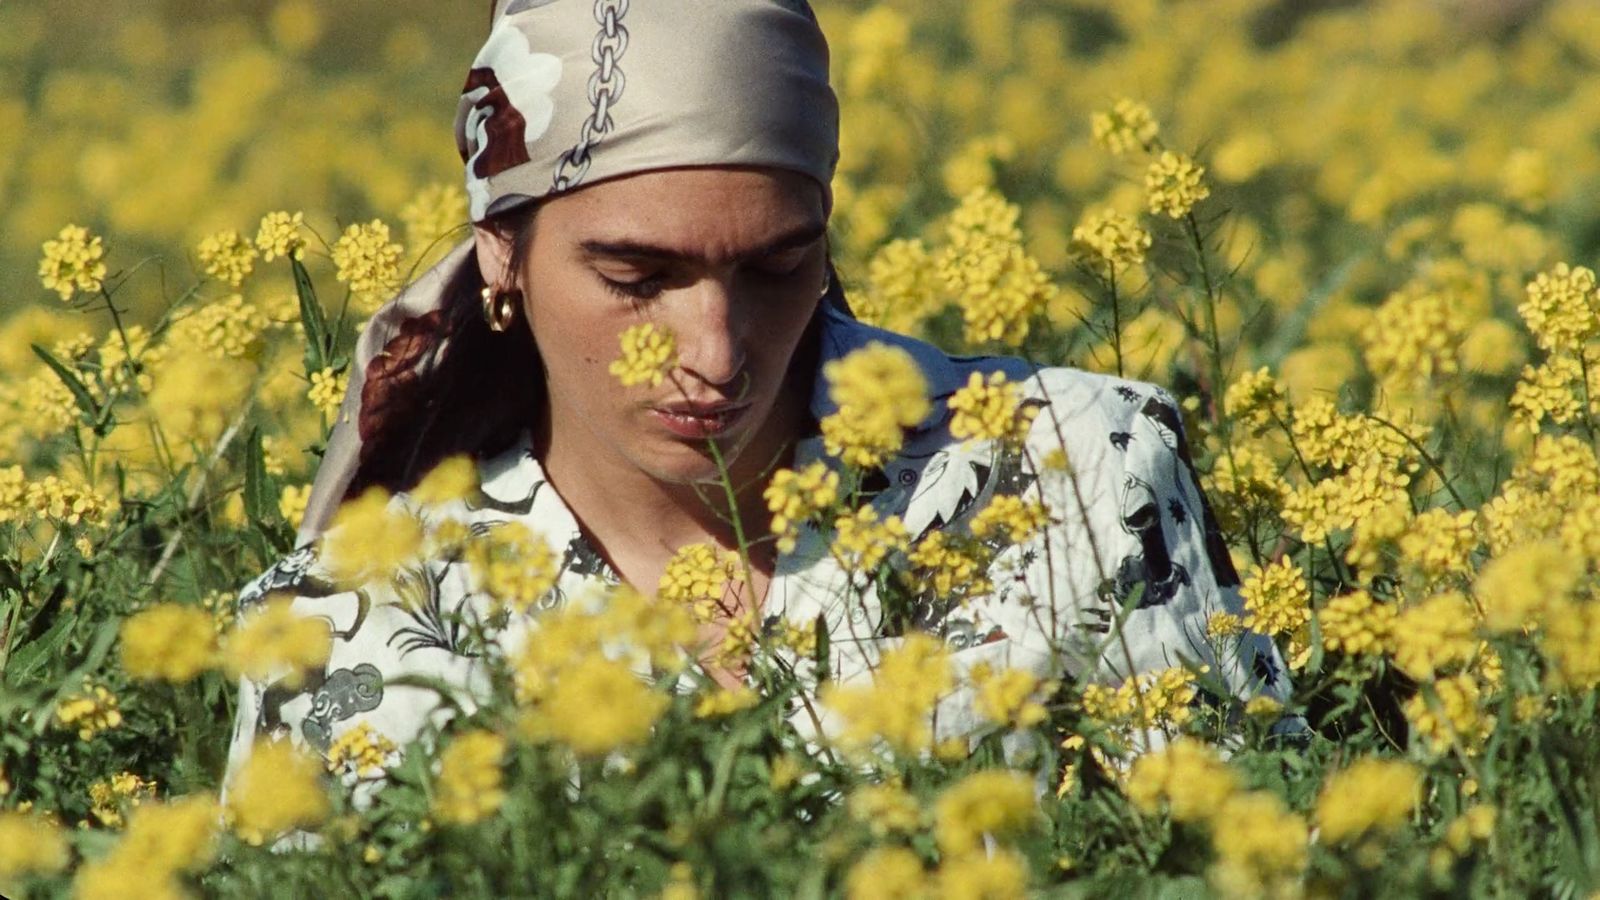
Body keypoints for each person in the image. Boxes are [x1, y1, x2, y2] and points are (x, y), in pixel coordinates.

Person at [226, 0, 1290, 782]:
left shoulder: (1080, 470)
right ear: (501, 253)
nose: (718, 350)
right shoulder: (335, 625)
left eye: (779, 266)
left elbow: (1240, 841)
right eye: (637, 278)